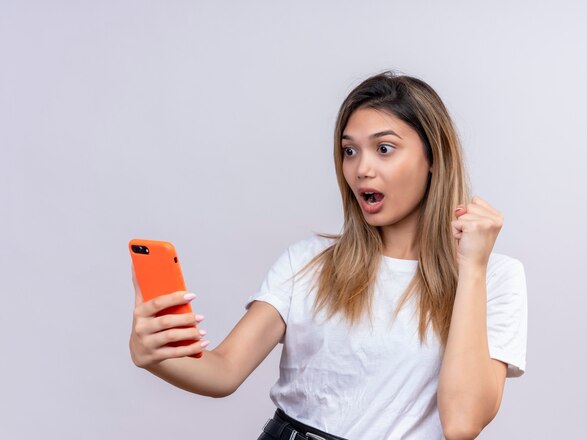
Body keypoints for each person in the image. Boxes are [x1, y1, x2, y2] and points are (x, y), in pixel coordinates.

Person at [129, 70, 528, 440]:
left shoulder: (495, 277)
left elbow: (462, 423)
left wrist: (471, 268)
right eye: (349, 151)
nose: (361, 170)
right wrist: (152, 355)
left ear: (433, 159)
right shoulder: (308, 261)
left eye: (384, 149)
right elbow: (223, 372)